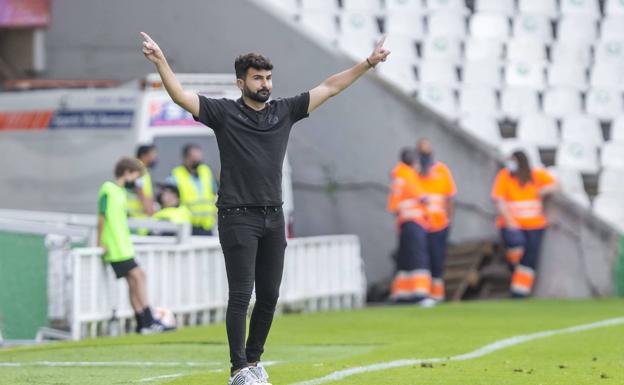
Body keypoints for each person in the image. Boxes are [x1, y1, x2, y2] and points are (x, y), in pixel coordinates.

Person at [140, 30, 390, 385]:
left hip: (273, 216)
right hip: (237, 217)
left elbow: (330, 87)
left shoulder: (284, 111)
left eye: (268, 77)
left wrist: (367, 63)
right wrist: (161, 61)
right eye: (258, 78)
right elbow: (180, 95)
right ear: (241, 82)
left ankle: (254, 361)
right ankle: (237, 369)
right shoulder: (224, 113)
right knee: (241, 295)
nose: (265, 83)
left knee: (270, 296)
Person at [96, 157, 167, 334]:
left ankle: (141, 323)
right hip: (114, 246)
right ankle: (148, 319)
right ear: (127, 173)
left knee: (134, 279)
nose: (136, 181)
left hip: (123, 245)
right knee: (138, 276)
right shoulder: (108, 189)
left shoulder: (121, 192)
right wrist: (100, 242)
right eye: (136, 176)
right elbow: (102, 216)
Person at [491, 151, 559, 298]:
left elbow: (556, 184)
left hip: (535, 225)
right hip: (512, 225)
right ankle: (515, 276)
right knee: (516, 249)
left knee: (529, 260)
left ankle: (519, 292)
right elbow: (499, 199)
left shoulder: (535, 175)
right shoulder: (505, 176)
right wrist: (510, 221)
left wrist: (543, 191)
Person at [387, 148, 431, 305]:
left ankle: (402, 294)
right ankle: (420, 294)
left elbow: (394, 203)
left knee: (405, 260)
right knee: (418, 258)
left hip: (405, 222)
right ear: (414, 162)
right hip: (414, 222)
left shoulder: (400, 174)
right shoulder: (407, 175)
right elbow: (423, 197)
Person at [415, 138, 457, 303]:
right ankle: (424, 294)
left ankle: (437, 295)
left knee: (437, 259)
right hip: (420, 223)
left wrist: (449, 219)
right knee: (422, 260)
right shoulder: (414, 172)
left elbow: (450, 196)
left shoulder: (441, 170)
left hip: (439, 224)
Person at [168, 144, 218, 236]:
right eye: (194, 157)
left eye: (200, 157)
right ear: (186, 158)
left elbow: (215, 194)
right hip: (186, 226)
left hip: (207, 226)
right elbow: (169, 202)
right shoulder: (176, 175)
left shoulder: (206, 171)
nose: (198, 160)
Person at [127, 144, 157, 218]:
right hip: (135, 215)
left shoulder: (141, 169)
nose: (155, 158)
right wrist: (150, 211)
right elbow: (140, 191)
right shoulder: (138, 168)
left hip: (136, 214)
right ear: (143, 156)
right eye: (152, 155)